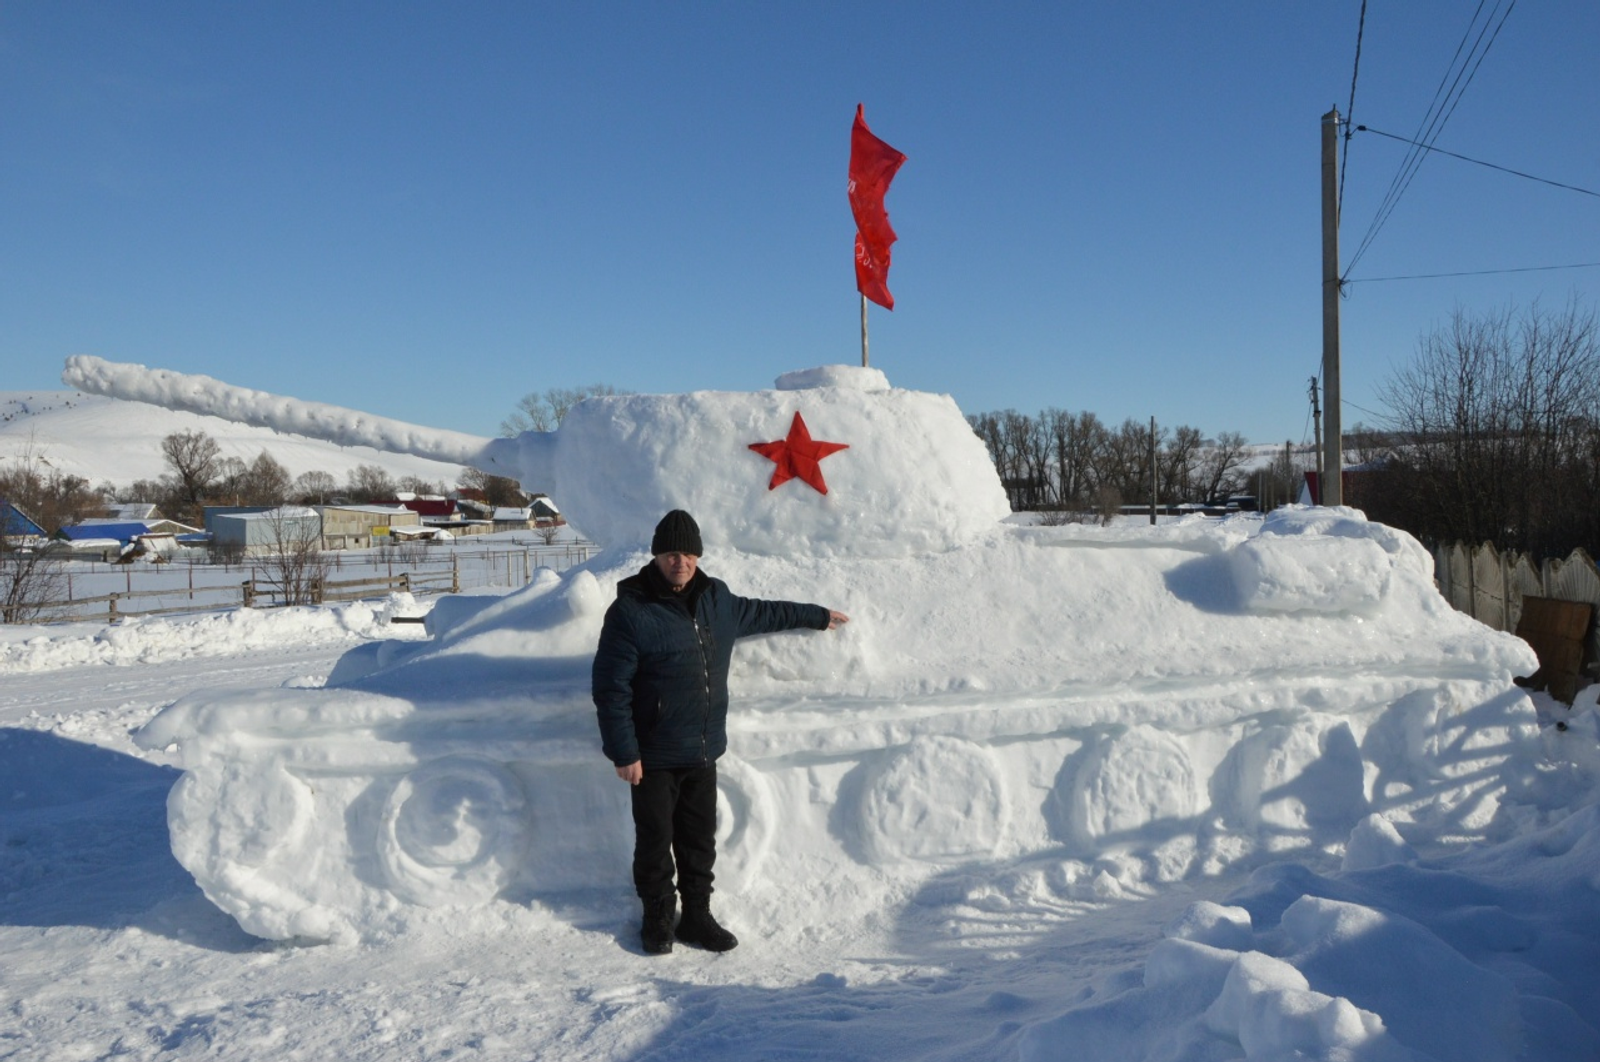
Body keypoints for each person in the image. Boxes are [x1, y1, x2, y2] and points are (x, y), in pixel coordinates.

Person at [592, 510, 848, 954]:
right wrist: (624, 752)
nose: (681, 563)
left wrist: (817, 615)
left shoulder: (717, 600)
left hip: (703, 749)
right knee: (655, 841)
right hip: (652, 754)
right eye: (672, 554)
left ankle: (696, 915)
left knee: (698, 840)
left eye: (689, 554)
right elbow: (610, 688)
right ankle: (657, 916)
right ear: (657, 556)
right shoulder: (631, 611)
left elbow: (766, 612)